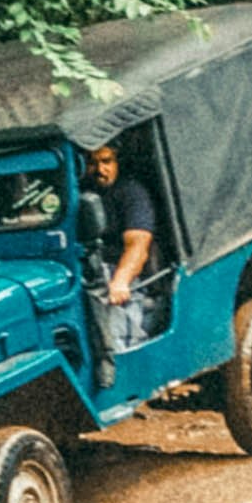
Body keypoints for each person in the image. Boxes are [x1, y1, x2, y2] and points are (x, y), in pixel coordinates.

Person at [79, 145, 159, 351]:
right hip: (88, 268)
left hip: (125, 276)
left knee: (116, 326)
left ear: (117, 163)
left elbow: (138, 244)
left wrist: (121, 282)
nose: (100, 170)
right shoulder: (78, 194)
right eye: (92, 163)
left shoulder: (131, 193)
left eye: (106, 162)